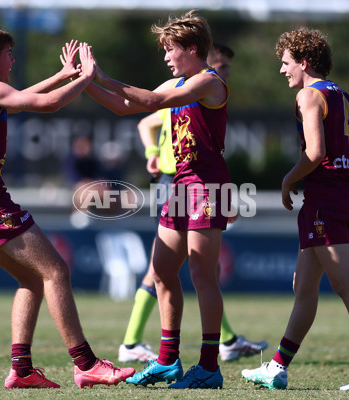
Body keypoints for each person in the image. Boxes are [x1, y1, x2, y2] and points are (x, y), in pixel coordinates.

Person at [0, 26, 135, 389]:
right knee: (56, 271)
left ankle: (21, 370)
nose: (13, 60)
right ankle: (86, 363)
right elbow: (47, 104)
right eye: (8, 55)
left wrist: (62, 75)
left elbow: (16, 98)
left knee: (31, 279)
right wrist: (86, 78)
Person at [241, 27, 349, 391]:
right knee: (303, 286)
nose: (282, 70)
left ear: (304, 62)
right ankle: (277, 367)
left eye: (286, 62)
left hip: (324, 201)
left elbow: (315, 153)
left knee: (346, 284)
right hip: (342, 197)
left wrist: (288, 179)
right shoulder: (344, 98)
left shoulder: (309, 96)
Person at [84, 9, 230, 389]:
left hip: (207, 187)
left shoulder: (207, 82)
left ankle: (210, 366)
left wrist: (103, 76)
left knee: (201, 275)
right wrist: (84, 83)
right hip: (180, 187)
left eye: (171, 49)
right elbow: (124, 106)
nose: (165, 56)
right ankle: (167, 361)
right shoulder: (178, 82)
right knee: (163, 273)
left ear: (192, 48)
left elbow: (148, 101)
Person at [118, 42, 268, 365]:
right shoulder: (186, 87)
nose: (226, 72)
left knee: (197, 269)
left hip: (197, 182)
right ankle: (135, 343)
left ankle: (219, 343)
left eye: (227, 67)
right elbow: (146, 118)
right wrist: (153, 154)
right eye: (222, 65)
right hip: (174, 181)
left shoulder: (203, 90)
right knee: (168, 269)